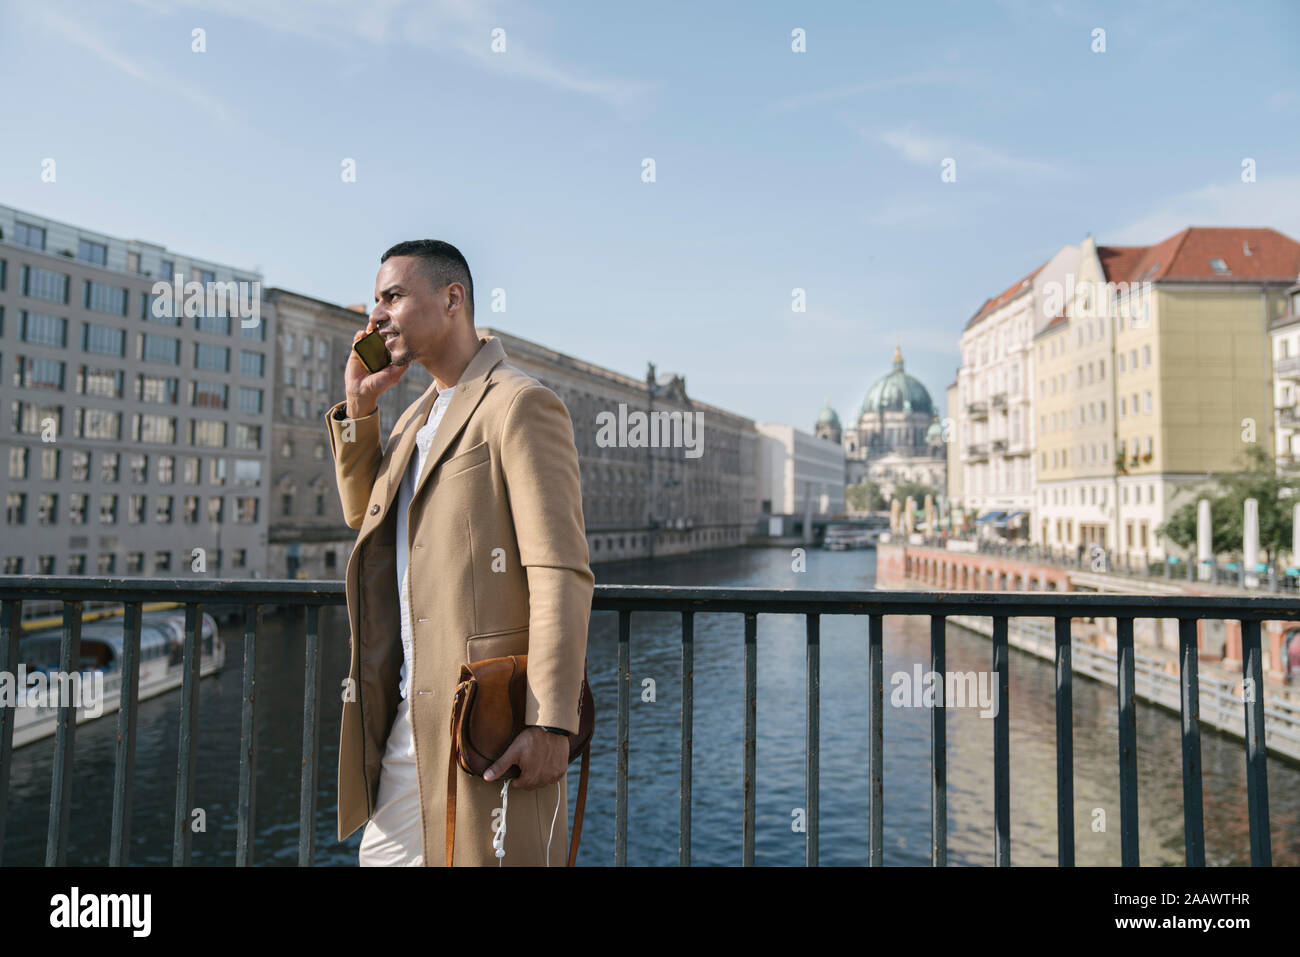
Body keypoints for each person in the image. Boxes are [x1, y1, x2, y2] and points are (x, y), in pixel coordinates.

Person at [325, 240, 593, 866]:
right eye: (376, 301)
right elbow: (365, 518)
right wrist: (361, 408)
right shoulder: (412, 419)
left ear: (452, 300)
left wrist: (553, 722)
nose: (377, 315)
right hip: (405, 723)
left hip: (485, 726)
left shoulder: (519, 403)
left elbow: (560, 571)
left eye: (393, 296)